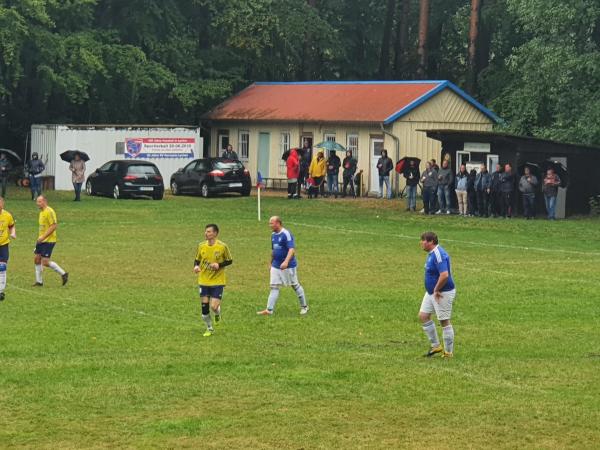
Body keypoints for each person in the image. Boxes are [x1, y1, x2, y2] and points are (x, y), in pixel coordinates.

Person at [257, 216, 308, 316]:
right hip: (276, 265)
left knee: (295, 285)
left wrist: (286, 262)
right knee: (274, 287)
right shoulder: (273, 235)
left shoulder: (286, 234)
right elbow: (273, 250)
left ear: (278, 223)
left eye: (271, 223)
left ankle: (304, 307)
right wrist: (270, 263)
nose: (270, 225)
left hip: (288, 266)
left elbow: (291, 249)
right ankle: (269, 310)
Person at [418, 231, 456, 358]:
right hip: (432, 292)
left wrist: (436, 289)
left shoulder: (439, 254)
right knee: (423, 315)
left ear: (431, 242)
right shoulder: (431, 254)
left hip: (442, 292)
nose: (421, 243)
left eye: (423, 240)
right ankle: (436, 346)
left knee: (444, 321)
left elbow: (444, 275)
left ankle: (448, 353)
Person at [193, 224, 233, 337]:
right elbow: (197, 259)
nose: (206, 233)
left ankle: (217, 313)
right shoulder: (201, 246)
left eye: (209, 232)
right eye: (206, 231)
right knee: (204, 309)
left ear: (215, 233)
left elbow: (229, 260)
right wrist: (196, 266)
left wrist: (219, 265)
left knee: (214, 307)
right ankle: (209, 328)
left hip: (217, 281)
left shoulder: (222, 246)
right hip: (203, 281)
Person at [33, 195, 68, 287]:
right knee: (37, 259)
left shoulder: (49, 211)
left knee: (45, 262)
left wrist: (43, 237)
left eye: (39, 202)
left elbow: (53, 226)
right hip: (41, 240)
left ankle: (63, 274)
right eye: (37, 202)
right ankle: (39, 282)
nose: (38, 204)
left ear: (45, 201)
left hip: (49, 240)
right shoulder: (41, 213)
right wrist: (39, 238)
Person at [0, 197, 16, 301]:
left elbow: (11, 226)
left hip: (3, 245)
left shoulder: (7, 215)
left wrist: (13, 232)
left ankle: (1, 291)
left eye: (1, 204)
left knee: (2, 267)